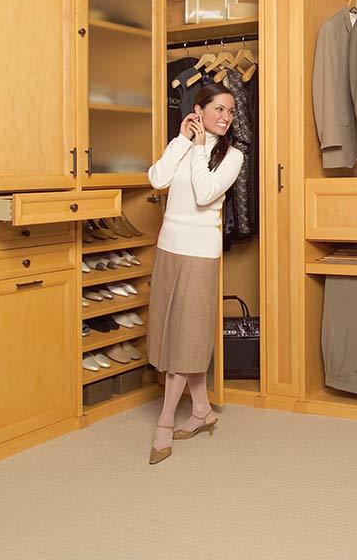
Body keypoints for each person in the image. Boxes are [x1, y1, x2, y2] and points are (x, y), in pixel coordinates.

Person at [146, 83, 244, 465]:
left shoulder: (233, 156)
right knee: (172, 329)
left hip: (200, 253)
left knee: (187, 335)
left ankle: (165, 423)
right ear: (198, 110)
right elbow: (157, 179)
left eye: (231, 111)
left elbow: (205, 195)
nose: (225, 117)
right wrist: (181, 141)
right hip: (169, 247)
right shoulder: (186, 145)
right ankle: (202, 410)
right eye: (218, 109)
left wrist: (201, 148)